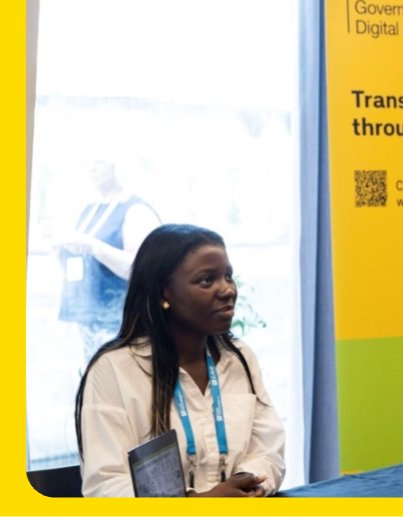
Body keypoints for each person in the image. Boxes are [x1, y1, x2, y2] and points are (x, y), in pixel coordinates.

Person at [75, 224, 285, 497]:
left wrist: (246, 483)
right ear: (164, 294)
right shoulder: (114, 369)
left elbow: (268, 450)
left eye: (228, 276)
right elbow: (105, 485)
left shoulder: (239, 358)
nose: (228, 290)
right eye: (206, 280)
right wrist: (200, 503)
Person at [54, 157, 160, 363]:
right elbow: (81, 268)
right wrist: (59, 250)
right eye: (89, 162)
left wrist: (94, 246)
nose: (92, 168)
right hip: (87, 320)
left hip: (121, 323)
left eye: (99, 162)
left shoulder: (136, 210)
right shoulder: (89, 209)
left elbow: (141, 270)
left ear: (119, 165)